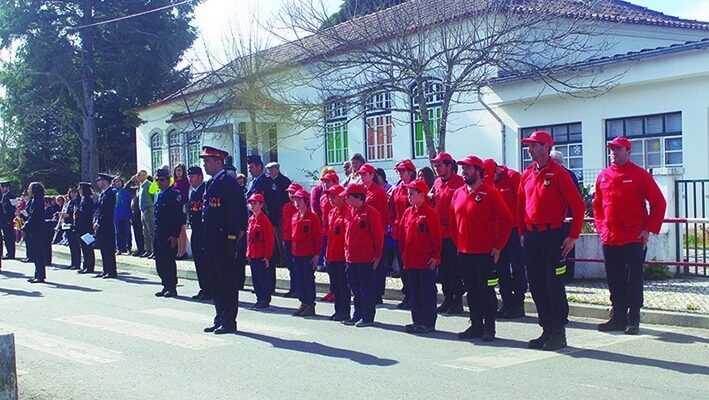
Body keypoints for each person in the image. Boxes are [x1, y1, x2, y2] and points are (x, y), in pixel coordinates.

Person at [517, 130, 585, 351]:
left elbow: (578, 205)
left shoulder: (558, 173)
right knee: (536, 285)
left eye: (534, 145)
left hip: (553, 236)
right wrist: (521, 233)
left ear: (546, 147)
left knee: (553, 284)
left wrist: (573, 235)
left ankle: (559, 331)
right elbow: (520, 206)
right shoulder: (527, 174)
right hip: (532, 236)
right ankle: (546, 328)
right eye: (529, 145)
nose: (530, 149)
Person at [593, 136, 667, 335]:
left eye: (618, 149)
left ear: (628, 152)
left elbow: (659, 203)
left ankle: (633, 318)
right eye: (611, 149)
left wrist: (647, 229)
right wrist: (601, 228)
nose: (613, 153)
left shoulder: (639, 175)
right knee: (614, 278)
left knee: (633, 279)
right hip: (610, 237)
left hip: (634, 237)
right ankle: (618, 317)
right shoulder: (603, 176)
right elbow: (597, 206)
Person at [451, 156, 514, 342]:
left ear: (478, 171)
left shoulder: (491, 192)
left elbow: (507, 220)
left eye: (468, 168)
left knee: (486, 291)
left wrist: (498, 246)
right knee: (471, 291)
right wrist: (458, 243)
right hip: (464, 252)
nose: (464, 172)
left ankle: (489, 328)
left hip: (485, 252)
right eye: (463, 169)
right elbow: (454, 221)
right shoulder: (458, 193)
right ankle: (476, 325)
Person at [200, 146, 247, 335]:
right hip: (212, 241)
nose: (204, 164)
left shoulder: (229, 183)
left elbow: (235, 215)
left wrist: (232, 241)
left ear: (218, 162)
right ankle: (219, 317)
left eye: (207, 161)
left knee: (227, 282)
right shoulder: (211, 182)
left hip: (224, 242)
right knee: (216, 283)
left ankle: (229, 320)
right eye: (204, 161)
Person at [397, 178, 441, 334]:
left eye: (412, 193)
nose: (409, 196)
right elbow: (402, 234)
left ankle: (428, 322)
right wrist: (403, 254)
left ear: (422, 195)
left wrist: (436, 256)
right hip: (411, 260)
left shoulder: (430, 213)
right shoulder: (408, 213)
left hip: (425, 260)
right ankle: (417, 321)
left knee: (427, 292)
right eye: (408, 193)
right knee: (414, 292)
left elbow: (436, 237)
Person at [487, 159, 527, 319]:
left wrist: (523, 231)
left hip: (515, 231)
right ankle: (507, 301)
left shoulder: (513, 177)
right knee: (501, 268)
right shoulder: (489, 182)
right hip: (499, 232)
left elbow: (522, 204)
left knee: (517, 268)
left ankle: (519, 303)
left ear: (497, 170)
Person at [341, 183, 384, 327]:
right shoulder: (349, 212)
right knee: (355, 288)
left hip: (365, 258)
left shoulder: (371, 212)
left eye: (349, 197)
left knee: (366, 289)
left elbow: (378, 236)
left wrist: (377, 255)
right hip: (351, 258)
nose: (346, 200)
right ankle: (357, 314)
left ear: (359, 197)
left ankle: (368, 316)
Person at [431, 152, 466, 315]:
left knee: (455, 268)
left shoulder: (459, 182)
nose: (437, 168)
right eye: (435, 165)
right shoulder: (437, 182)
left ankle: (457, 300)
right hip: (440, 233)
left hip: (454, 233)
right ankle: (447, 298)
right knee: (443, 269)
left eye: (439, 165)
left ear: (449, 166)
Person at [357, 163, 388, 304]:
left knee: (377, 263)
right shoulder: (361, 191)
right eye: (360, 175)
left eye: (364, 174)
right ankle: (369, 291)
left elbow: (383, 214)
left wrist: (380, 233)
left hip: (376, 231)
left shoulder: (378, 192)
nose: (362, 177)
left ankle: (377, 293)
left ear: (371, 175)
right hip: (363, 233)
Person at [152, 168, 184, 297]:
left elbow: (177, 217)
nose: (159, 182)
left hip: (169, 233)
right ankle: (165, 284)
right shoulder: (158, 194)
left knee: (168, 261)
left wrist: (175, 235)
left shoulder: (174, 194)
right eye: (157, 180)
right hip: (158, 232)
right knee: (160, 261)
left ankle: (172, 287)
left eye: (162, 179)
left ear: (168, 180)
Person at [290, 189, 322, 317]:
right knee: (299, 278)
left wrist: (317, 255)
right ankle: (303, 302)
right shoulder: (294, 216)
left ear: (306, 201)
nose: (296, 202)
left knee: (308, 278)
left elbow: (318, 237)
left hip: (308, 252)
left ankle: (310, 304)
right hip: (297, 252)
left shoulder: (312, 217)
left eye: (299, 200)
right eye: (295, 200)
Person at [550, 150, 581, 280]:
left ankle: (567, 275)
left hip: (567, 217)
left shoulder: (567, 175)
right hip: (556, 218)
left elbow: (576, 198)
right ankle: (561, 275)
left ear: (559, 162)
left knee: (567, 247)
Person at [389, 160, 416, 309]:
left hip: (412, 232)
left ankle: (414, 295)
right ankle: (407, 294)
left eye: (402, 171)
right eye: (398, 171)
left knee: (412, 266)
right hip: (400, 232)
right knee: (402, 266)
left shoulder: (415, 187)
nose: (400, 173)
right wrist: (394, 224)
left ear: (410, 172)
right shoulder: (398, 188)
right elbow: (392, 209)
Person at [324, 184, 351, 321]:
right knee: (335, 285)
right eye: (329, 197)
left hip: (341, 255)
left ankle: (344, 311)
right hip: (332, 254)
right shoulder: (331, 213)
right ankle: (337, 310)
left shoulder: (347, 212)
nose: (330, 200)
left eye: (333, 197)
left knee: (343, 285)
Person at [246, 193, 275, 309]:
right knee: (256, 279)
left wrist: (267, 256)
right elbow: (249, 239)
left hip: (261, 254)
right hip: (253, 253)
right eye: (251, 203)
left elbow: (269, 240)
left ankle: (265, 299)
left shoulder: (264, 220)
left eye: (255, 203)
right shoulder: (251, 219)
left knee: (263, 278)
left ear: (261, 205)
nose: (252, 206)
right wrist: (248, 253)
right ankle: (259, 298)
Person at [187, 166, 211, 300]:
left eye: (192, 177)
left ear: (200, 177)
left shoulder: (205, 190)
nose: (190, 179)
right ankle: (203, 288)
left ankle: (210, 289)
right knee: (198, 262)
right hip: (195, 231)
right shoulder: (193, 192)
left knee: (205, 262)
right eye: (189, 177)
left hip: (203, 232)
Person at [316, 171, 339, 301]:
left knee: (335, 263)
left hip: (334, 232)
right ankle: (332, 289)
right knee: (328, 262)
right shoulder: (324, 197)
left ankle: (337, 290)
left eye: (328, 181)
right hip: (325, 232)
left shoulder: (337, 196)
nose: (325, 184)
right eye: (323, 182)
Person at [93, 173, 118, 278]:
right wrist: (95, 220)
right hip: (101, 224)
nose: (98, 182)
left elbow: (106, 211)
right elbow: (98, 209)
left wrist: (99, 222)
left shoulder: (110, 194)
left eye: (100, 180)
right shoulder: (103, 194)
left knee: (108, 248)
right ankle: (105, 269)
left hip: (107, 224)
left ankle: (111, 271)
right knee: (103, 247)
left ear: (105, 181)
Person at [22, 182, 47, 283]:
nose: (28, 190)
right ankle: (37, 274)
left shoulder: (39, 201)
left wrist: (26, 225)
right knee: (36, 253)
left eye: (30, 189)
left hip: (37, 229)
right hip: (33, 229)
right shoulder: (33, 201)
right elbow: (29, 214)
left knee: (38, 253)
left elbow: (34, 217)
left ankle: (40, 275)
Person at [282, 182, 303, 298]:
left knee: (297, 266)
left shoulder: (301, 208)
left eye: (293, 192)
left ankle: (299, 289)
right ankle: (293, 288)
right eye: (289, 192)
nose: (290, 195)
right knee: (290, 265)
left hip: (297, 240)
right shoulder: (286, 206)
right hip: (288, 239)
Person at [75, 182, 95, 274]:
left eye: (80, 189)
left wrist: (77, 211)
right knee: (83, 247)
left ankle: (89, 266)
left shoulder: (88, 200)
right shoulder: (83, 199)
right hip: (81, 227)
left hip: (86, 227)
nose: (79, 190)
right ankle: (85, 265)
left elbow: (85, 214)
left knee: (88, 247)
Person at [137, 170, 155, 259]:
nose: (137, 177)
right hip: (143, 211)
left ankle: (155, 251)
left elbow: (154, 196)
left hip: (149, 209)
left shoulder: (149, 184)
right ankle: (148, 250)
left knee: (151, 231)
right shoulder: (141, 186)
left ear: (144, 175)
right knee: (145, 232)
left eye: (139, 175)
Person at [63, 188, 82, 270]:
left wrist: (68, 215)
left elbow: (75, 213)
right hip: (67, 225)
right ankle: (73, 262)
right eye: (71, 192)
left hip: (73, 225)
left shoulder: (78, 201)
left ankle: (77, 263)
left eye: (75, 192)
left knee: (75, 245)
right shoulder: (69, 202)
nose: (73, 194)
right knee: (71, 245)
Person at [113, 177, 132, 255]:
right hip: (116, 215)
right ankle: (119, 248)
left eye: (119, 181)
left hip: (126, 214)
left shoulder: (126, 192)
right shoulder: (112, 192)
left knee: (127, 231)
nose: (118, 183)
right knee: (118, 232)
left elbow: (129, 203)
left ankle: (129, 248)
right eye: (116, 182)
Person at [128, 176, 145, 257]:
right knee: (136, 233)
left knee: (141, 232)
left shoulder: (143, 189)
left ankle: (143, 249)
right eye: (135, 182)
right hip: (134, 214)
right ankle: (139, 249)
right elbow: (125, 188)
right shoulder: (134, 190)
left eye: (138, 181)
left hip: (140, 213)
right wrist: (131, 180)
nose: (136, 183)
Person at [1, 180, 17, 259]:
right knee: (7, 237)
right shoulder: (4, 195)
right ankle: (9, 252)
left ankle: (11, 253)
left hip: (8, 219)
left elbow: (14, 207)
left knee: (9, 236)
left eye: (2, 187)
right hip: (4, 218)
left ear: (6, 187)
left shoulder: (11, 195)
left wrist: (10, 219)